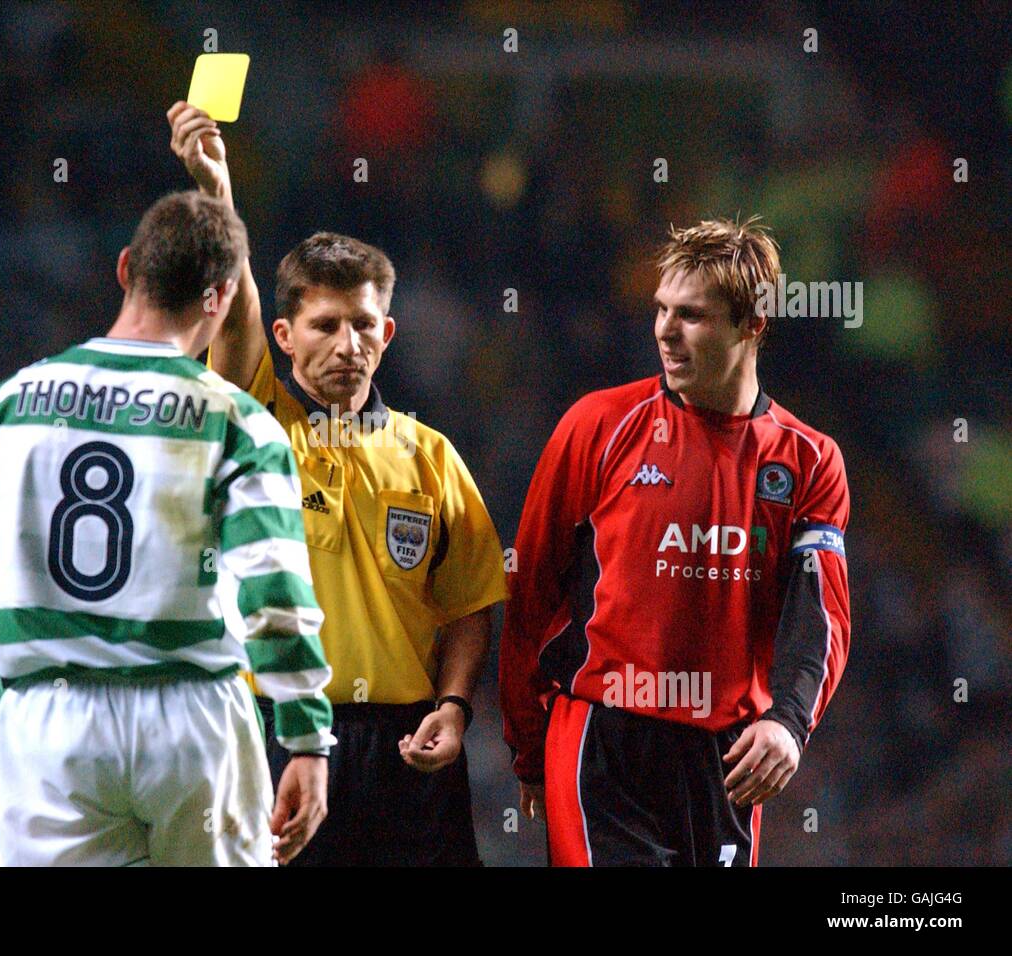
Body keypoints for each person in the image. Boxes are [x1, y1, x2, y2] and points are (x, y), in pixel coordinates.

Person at [0, 190, 334, 866]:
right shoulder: (236, 421)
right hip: (193, 720)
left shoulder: (8, 406)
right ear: (221, 297)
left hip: (50, 723)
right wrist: (307, 737)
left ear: (125, 269)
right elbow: (274, 595)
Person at [168, 102, 508, 866]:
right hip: (276, 734)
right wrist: (216, 190)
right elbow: (234, 304)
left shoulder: (431, 456)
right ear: (284, 337)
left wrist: (454, 707)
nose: (346, 344)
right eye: (324, 325)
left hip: (407, 750)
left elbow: (469, 608)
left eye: (362, 324)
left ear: (387, 333)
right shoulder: (257, 422)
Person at [502, 217, 851, 866]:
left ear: (753, 324)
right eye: (660, 309)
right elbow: (531, 594)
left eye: (691, 315)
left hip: (724, 759)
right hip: (602, 741)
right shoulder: (596, 426)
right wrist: (527, 745)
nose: (664, 330)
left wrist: (788, 723)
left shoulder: (809, 462)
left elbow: (820, 616)